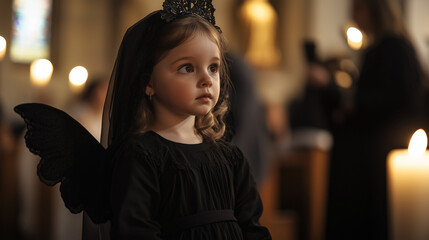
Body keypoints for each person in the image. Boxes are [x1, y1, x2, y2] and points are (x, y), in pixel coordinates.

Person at [15, 0, 272, 239]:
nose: (207, 79)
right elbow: (135, 231)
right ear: (149, 81)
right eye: (188, 67)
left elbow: (252, 227)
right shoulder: (140, 157)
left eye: (213, 67)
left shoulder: (231, 157)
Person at [326, 0, 425, 239]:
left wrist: (352, 103)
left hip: (382, 153)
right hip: (377, 151)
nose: (353, 15)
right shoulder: (389, 47)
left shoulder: (393, 48)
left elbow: (397, 100)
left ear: (374, 9)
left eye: (358, 8)